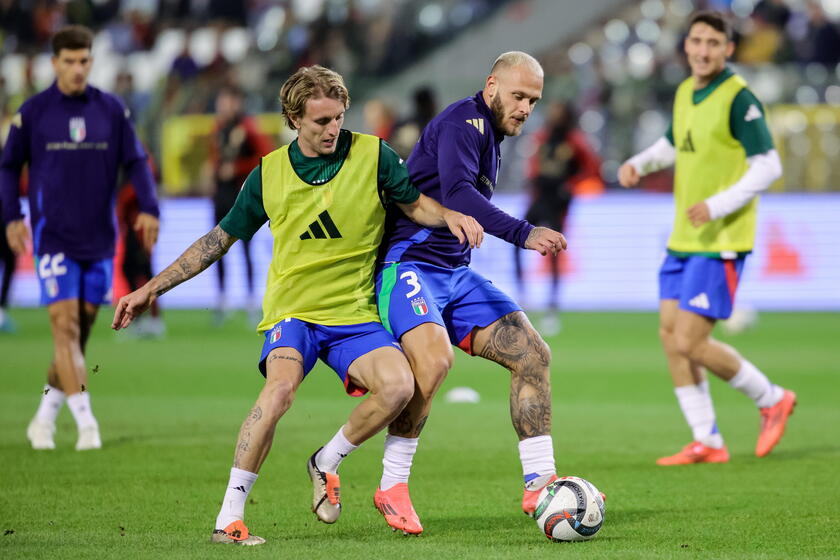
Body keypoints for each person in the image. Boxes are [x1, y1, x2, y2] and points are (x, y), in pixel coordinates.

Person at [111, 65, 483, 546]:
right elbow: (216, 241)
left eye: (338, 118)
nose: (333, 130)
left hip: (353, 315)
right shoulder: (268, 174)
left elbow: (414, 205)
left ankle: (326, 459)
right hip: (293, 315)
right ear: (293, 119)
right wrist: (149, 290)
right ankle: (229, 517)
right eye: (320, 121)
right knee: (280, 390)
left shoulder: (374, 155)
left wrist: (450, 215)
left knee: (399, 387)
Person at [372, 51, 576, 535]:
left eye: (534, 100)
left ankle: (540, 481)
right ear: (491, 86)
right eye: (518, 95)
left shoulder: (491, 135)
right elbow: (460, 194)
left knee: (532, 354)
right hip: (410, 265)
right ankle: (392, 484)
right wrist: (525, 233)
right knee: (433, 362)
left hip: (454, 273)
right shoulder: (465, 122)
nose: (526, 107)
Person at [617, 11, 795, 466]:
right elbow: (675, 144)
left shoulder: (739, 98)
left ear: (728, 49)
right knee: (669, 335)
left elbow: (769, 164)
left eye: (713, 43)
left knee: (692, 341)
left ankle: (772, 398)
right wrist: (641, 161)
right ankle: (707, 439)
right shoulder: (684, 92)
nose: (702, 50)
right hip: (684, 237)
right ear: (687, 45)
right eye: (696, 41)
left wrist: (717, 205)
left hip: (722, 238)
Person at [0, 25, 160, 451]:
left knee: (80, 332)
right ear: (55, 63)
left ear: (92, 61)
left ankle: (43, 418)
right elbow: (7, 167)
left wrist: (150, 206)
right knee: (64, 326)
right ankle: (88, 424)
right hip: (53, 238)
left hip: (99, 241)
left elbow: (137, 160)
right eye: (68, 61)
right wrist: (11, 216)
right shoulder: (33, 113)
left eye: (84, 60)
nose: (76, 68)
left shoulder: (110, 110)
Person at [513, 100, 602, 334]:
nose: (553, 115)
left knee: (553, 253)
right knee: (515, 241)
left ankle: (552, 306)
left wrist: (571, 186)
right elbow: (534, 163)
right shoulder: (543, 137)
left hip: (557, 204)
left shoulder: (575, 141)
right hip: (539, 198)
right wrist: (532, 180)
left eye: (558, 111)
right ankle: (523, 296)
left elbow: (592, 169)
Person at [207, 85, 273, 323]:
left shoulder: (248, 129)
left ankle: (251, 301)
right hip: (221, 196)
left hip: (241, 195)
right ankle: (222, 300)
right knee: (217, 247)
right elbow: (215, 158)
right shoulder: (220, 129)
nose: (225, 106)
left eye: (229, 101)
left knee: (245, 247)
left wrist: (235, 169)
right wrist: (214, 171)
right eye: (223, 101)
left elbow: (264, 159)